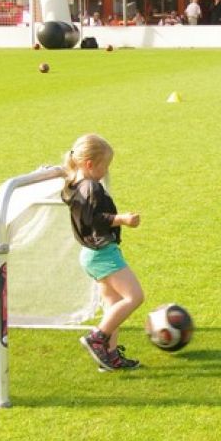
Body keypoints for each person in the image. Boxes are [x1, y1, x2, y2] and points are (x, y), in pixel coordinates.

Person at [61, 133, 145, 372]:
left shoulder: (75, 184)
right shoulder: (91, 187)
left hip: (92, 254)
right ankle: (98, 338)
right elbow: (94, 219)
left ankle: (109, 356)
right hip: (102, 253)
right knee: (134, 297)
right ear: (89, 164)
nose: (106, 171)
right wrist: (122, 219)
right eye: (104, 166)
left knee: (113, 303)